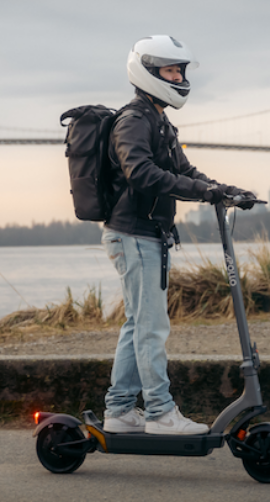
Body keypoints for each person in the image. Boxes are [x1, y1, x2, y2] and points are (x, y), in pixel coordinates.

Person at [101, 35, 255, 435]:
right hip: (132, 235)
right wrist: (202, 192)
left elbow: (185, 172)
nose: (179, 77)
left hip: (148, 235)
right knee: (151, 326)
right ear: (148, 73)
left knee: (138, 324)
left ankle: (118, 411)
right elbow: (142, 173)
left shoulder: (159, 120)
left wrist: (224, 191)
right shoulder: (133, 120)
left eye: (180, 71)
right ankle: (159, 413)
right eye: (171, 70)